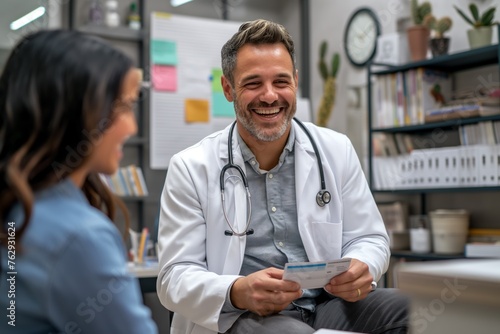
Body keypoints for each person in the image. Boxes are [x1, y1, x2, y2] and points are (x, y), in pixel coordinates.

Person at [157, 19, 408, 334]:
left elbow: (369, 237)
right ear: (228, 89)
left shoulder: (336, 149)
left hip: (325, 306)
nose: (269, 96)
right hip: (240, 317)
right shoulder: (191, 167)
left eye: (280, 81)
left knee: (413, 309)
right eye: (252, 83)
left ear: (296, 82)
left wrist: (363, 265)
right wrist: (237, 290)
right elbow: (173, 277)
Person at [0, 30, 157, 333]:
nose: (131, 126)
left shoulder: (18, 211)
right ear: (72, 114)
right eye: (121, 108)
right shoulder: (78, 238)